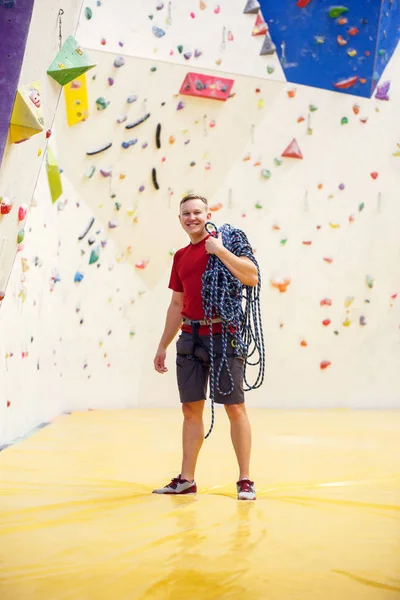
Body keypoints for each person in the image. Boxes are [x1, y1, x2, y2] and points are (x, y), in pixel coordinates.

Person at [153, 194, 259, 500]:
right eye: (186, 213)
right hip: (190, 336)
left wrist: (220, 250)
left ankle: (245, 480)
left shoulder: (225, 243)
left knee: (234, 407)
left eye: (197, 212)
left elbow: (251, 277)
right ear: (180, 219)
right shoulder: (181, 256)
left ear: (207, 214)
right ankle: (186, 479)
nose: (192, 217)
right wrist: (163, 345)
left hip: (224, 333)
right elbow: (176, 304)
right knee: (190, 410)